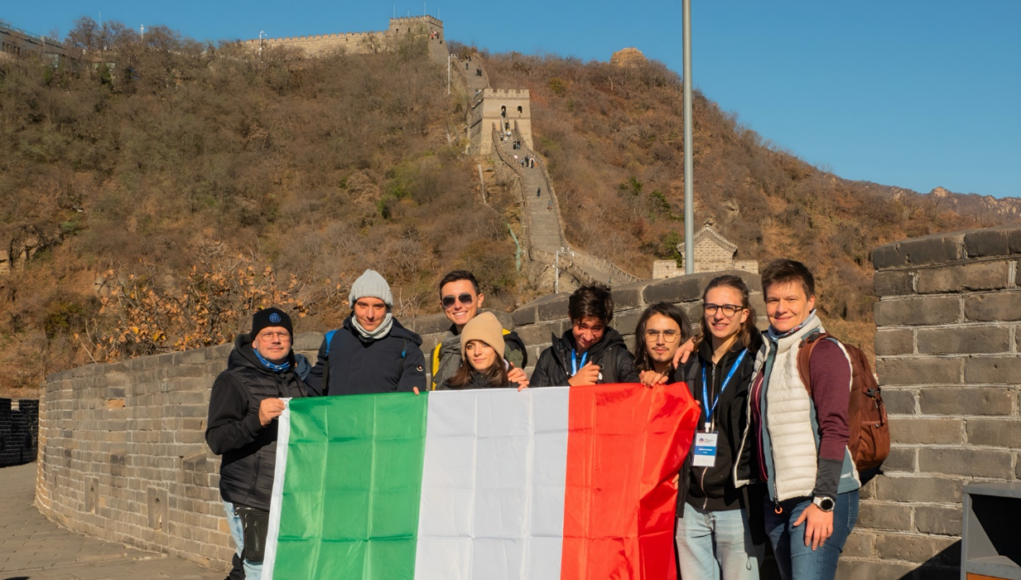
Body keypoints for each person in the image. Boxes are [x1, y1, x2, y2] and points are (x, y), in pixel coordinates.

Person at [737, 259, 859, 580]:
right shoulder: (768, 352)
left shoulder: (823, 351)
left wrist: (824, 502)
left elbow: (835, 429)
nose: (781, 308)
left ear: (810, 302)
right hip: (777, 504)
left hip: (816, 498)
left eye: (791, 299)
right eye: (774, 300)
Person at [672, 276, 766, 580]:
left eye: (729, 307)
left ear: (744, 313)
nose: (719, 314)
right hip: (691, 508)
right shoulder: (688, 363)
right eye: (712, 306)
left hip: (738, 507)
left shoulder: (757, 360)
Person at [206, 307, 309, 580]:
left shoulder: (297, 380)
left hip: (289, 496)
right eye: (267, 334)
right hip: (251, 498)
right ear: (254, 341)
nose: (275, 339)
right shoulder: (233, 380)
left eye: (282, 334)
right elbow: (217, 439)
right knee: (261, 571)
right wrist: (257, 420)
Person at [305, 269, 427, 396]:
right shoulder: (333, 341)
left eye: (377, 306)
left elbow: (407, 404)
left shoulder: (406, 346)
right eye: (363, 305)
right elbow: (310, 391)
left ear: (387, 308)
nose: (370, 315)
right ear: (353, 305)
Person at [431, 270, 527, 390]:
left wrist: (518, 377)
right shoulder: (440, 350)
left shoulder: (505, 340)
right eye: (449, 301)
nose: (457, 305)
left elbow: (514, 379)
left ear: (480, 299)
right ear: (442, 306)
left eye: (465, 298)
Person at [531, 285, 640, 387]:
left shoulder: (621, 359)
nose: (588, 337)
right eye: (582, 326)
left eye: (596, 328)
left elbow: (637, 400)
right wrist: (570, 385)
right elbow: (535, 404)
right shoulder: (549, 358)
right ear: (570, 317)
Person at [443, 312, 529, 390]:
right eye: (470, 346)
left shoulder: (516, 385)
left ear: (497, 349)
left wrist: (526, 398)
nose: (477, 352)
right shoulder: (451, 388)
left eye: (485, 344)